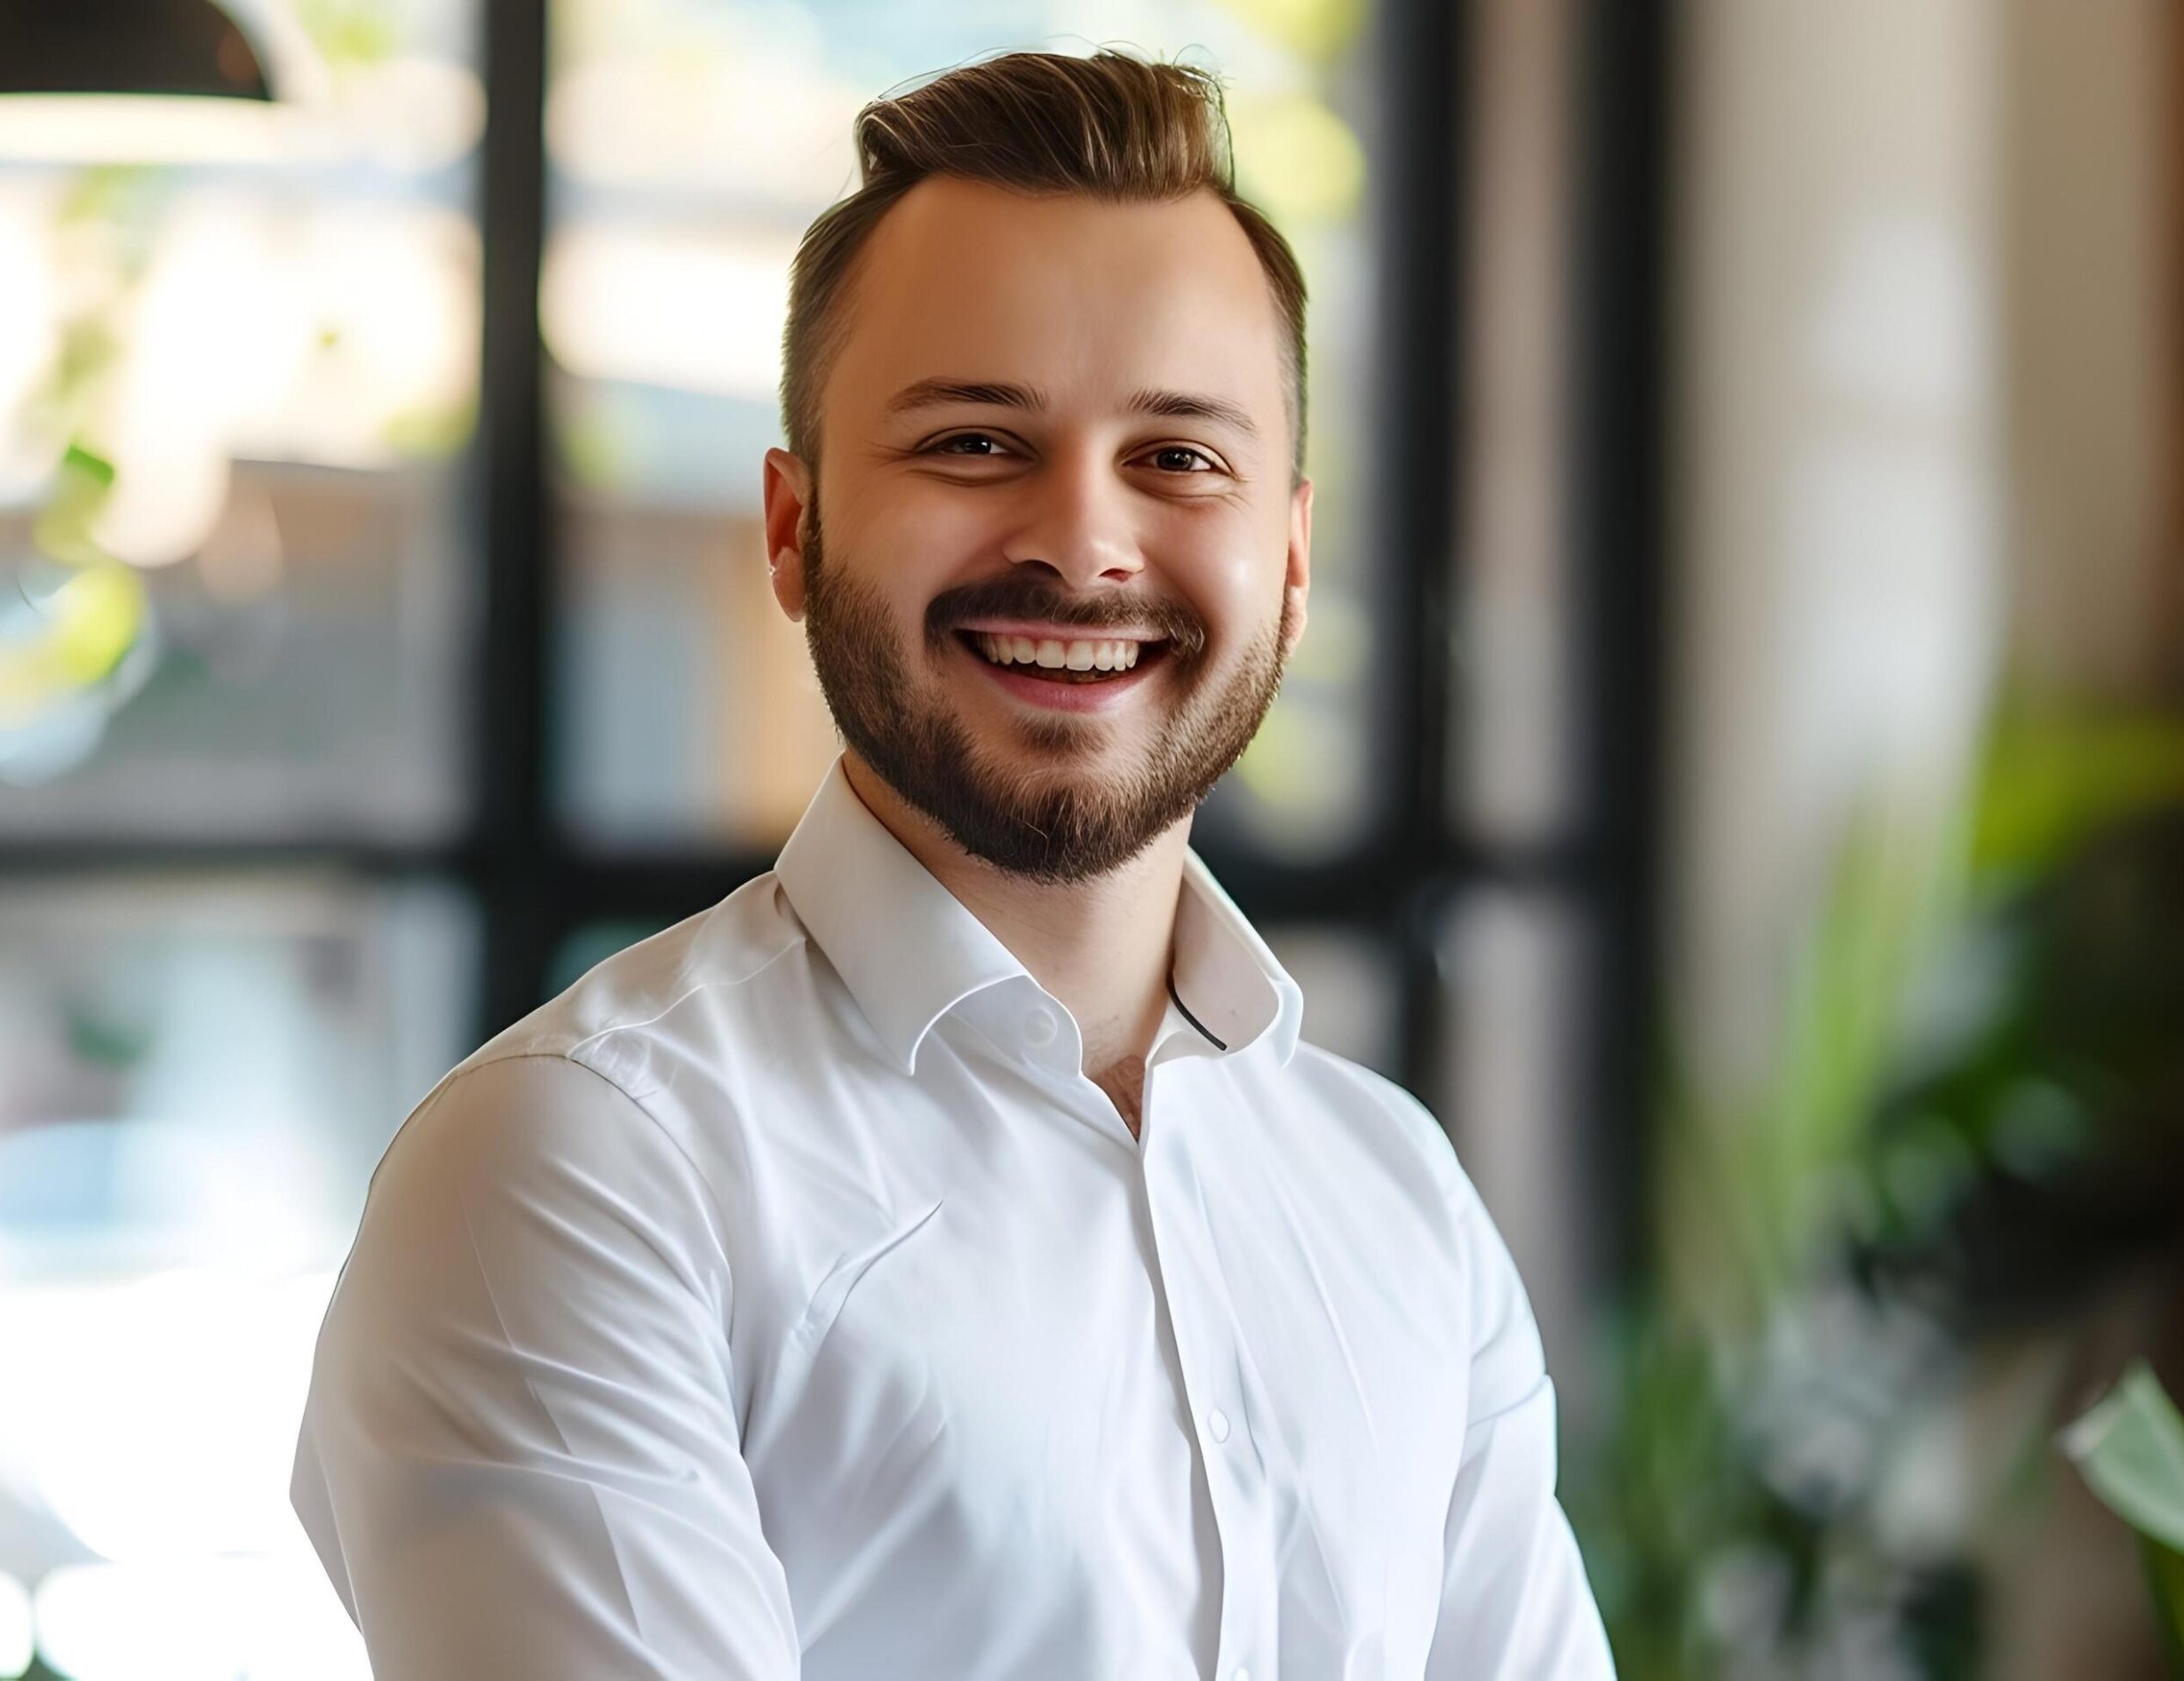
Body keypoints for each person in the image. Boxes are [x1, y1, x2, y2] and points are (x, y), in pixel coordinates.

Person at [290, 48, 1611, 1680]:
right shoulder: (582, 1170)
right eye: (976, 443)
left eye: (1180, 455)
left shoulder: (1395, 1192)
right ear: (794, 528)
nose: (1082, 540)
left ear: (1288, 554)